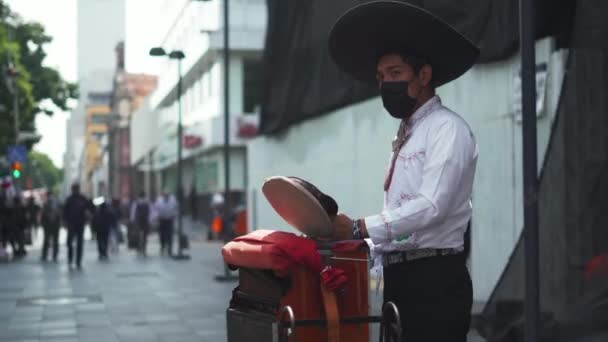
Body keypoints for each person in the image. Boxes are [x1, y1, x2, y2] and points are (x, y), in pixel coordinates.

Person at [327, 2, 479, 341]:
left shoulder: (447, 129)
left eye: (395, 73)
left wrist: (358, 227)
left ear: (424, 75)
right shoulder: (408, 134)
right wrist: (364, 242)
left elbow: (431, 206)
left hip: (434, 279)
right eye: (381, 77)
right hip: (401, 278)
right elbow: (399, 214)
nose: (386, 84)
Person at [63, 184, 94, 268]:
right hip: (71, 224)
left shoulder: (83, 198)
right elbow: (65, 211)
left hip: (80, 224)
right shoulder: (69, 199)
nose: (75, 190)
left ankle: (78, 261)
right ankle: (70, 259)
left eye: (76, 189)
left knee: (79, 243)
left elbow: (90, 208)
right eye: (74, 189)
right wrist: (65, 222)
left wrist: (88, 215)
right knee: (69, 243)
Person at [154, 191, 178, 256]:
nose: (166, 196)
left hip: (170, 219)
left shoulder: (173, 200)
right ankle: (162, 247)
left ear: (169, 195)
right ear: (163, 195)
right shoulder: (159, 200)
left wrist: (174, 215)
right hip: (161, 219)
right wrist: (156, 217)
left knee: (170, 235)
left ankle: (170, 249)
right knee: (162, 235)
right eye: (165, 195)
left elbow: (176, 208)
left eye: (167, 195)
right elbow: (156, 209)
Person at [40, 190, 62, 262]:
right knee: (53, 240)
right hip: (52, 225)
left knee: (48, 240)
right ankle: (53, 255)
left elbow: (44, 214)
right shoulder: (55, 202)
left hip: (50, 225)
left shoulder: (47, 203)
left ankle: (46, 255)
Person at [130, 191, 152, 256]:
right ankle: (143, 249)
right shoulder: (147, 202)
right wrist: (150, 220)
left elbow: (133, 211)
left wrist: (132, 220)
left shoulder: (137, 202)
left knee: (138, 236)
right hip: (144, 220)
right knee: (144, 236)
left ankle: (139, 249)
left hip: (138, 220)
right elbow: (150, 211)